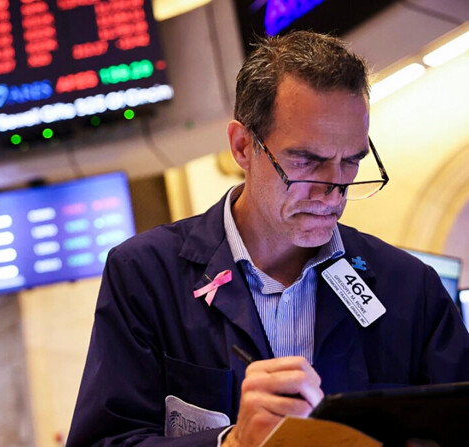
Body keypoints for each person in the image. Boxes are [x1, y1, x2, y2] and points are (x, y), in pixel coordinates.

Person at [66, 30, 469, 447]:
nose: (333, 191)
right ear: (242, 146)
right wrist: (232, 442)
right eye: (306, 160)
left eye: (351, 162)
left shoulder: (409, 288)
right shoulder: (146, 275)